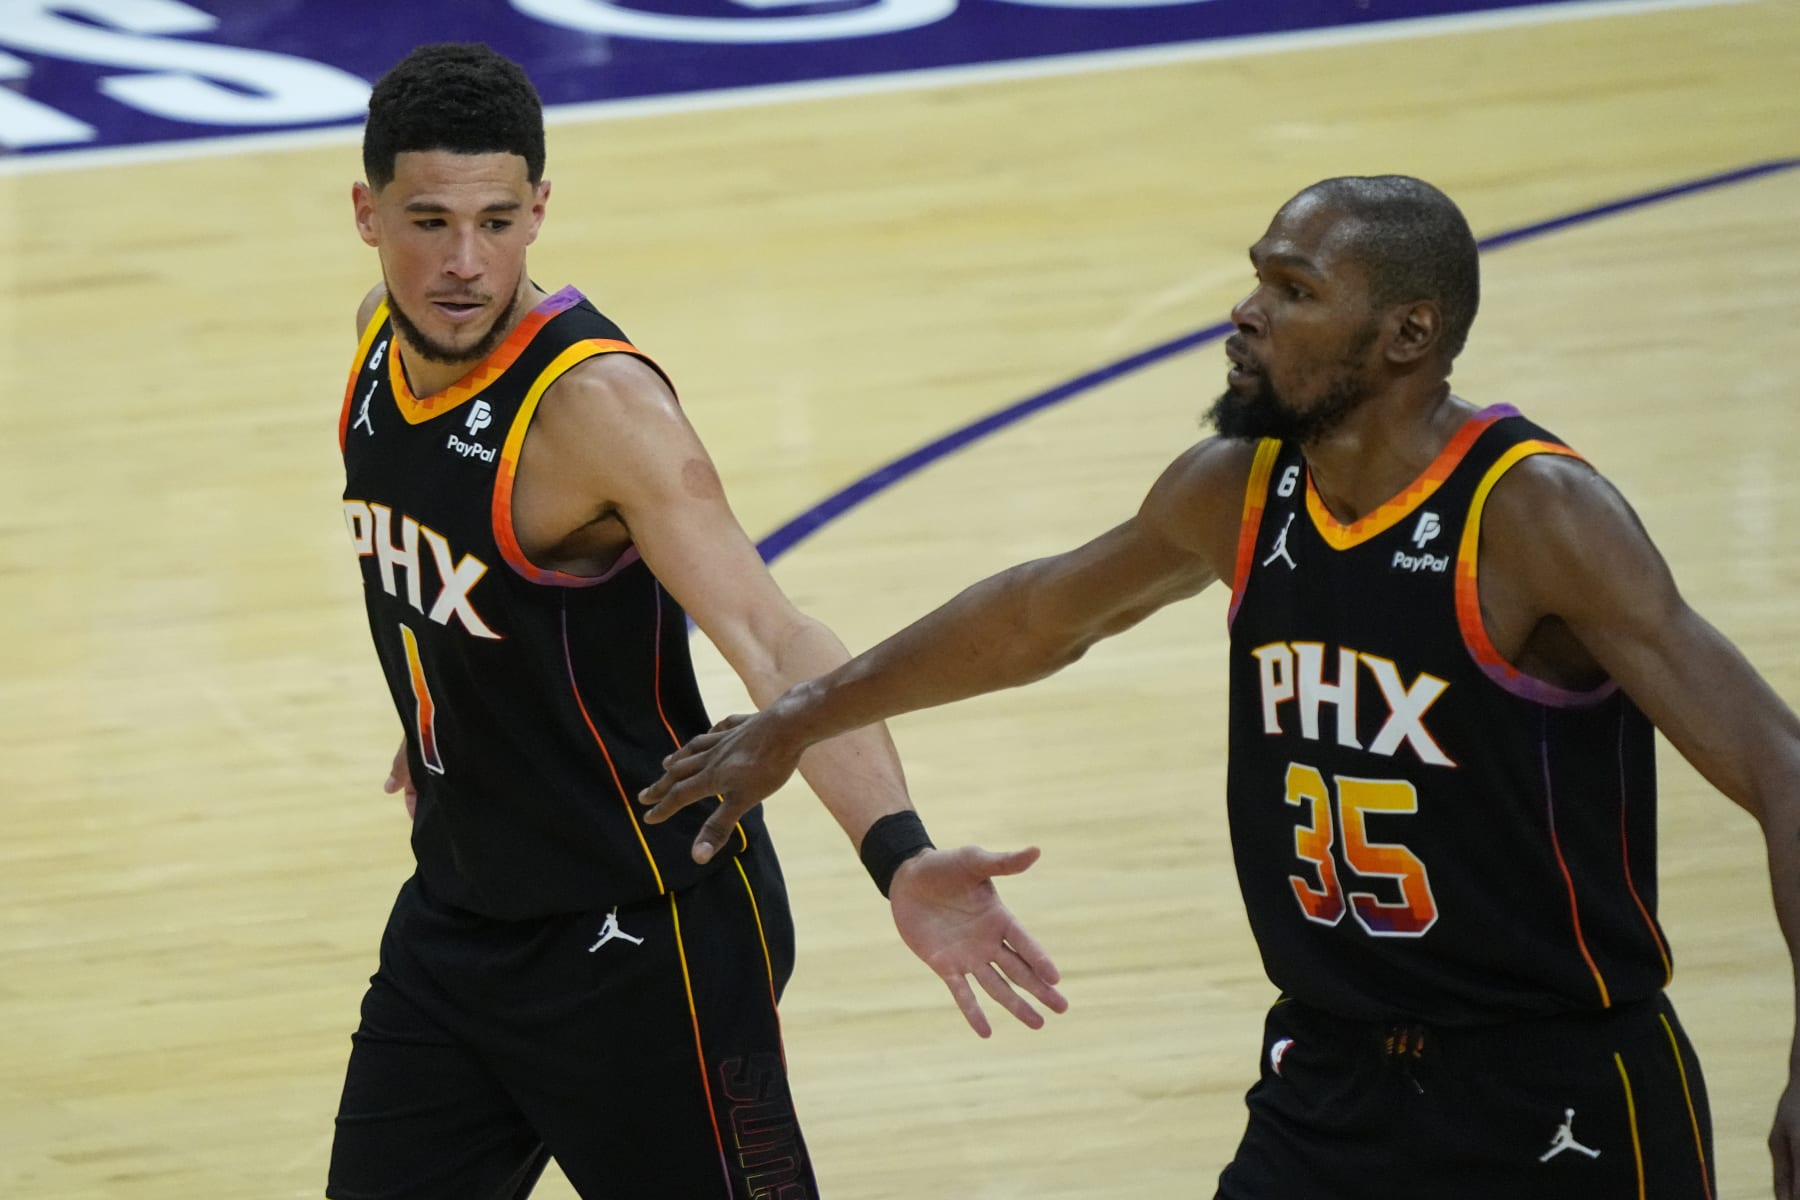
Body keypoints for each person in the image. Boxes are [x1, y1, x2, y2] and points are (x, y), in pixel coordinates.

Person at [642, 175, 1800, 1197]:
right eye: (1257, 278)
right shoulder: (1238, 488)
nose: (1245, 313)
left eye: (1294, 292)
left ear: (1407, 333)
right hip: (1328, 1078)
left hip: (1549, 1090)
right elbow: (1038, 617)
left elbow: (1782, 771)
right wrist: (798, 720)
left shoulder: (1536, 517)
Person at [327, 42, 1066, 1200]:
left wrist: (900, 853)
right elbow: (456, 569)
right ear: (367, 215)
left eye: (499, 220)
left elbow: (775, 638)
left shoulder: (597, 409)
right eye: (428, 221)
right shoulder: (382, 336)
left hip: (643, 938)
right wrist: (472, 689)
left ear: (540, 210)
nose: (465, 263)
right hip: (458, 923)